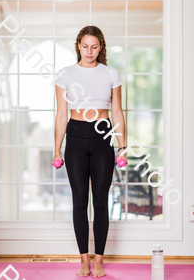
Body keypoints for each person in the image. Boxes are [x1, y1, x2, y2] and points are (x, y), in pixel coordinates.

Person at [52, 25, 128, 277]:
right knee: (80, 201)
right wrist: (57, 150)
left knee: (101, 201)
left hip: (103, 137)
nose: (89, 51)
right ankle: (83, 260)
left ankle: (98, 261)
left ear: (101, 48)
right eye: (85, 46)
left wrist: (122, 146)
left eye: (94, 46)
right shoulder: (65, 75)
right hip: (75, 137)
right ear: (78, 46)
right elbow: (61, 115)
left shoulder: (111, 74)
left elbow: (117, 112)